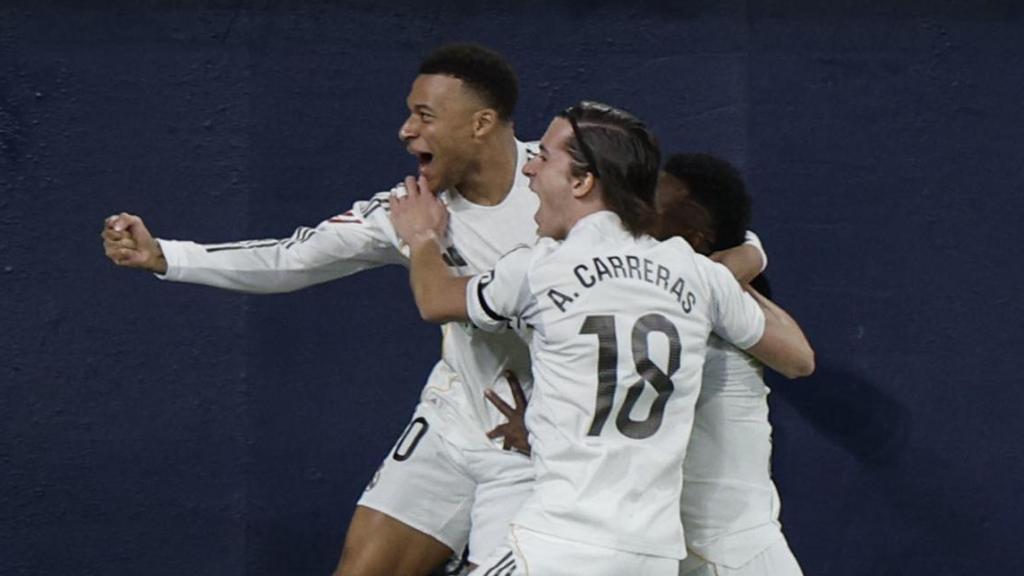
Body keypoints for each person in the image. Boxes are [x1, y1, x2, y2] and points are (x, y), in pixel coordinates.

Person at [101, 43, 540, 576]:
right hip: (452, 423)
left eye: (425, 116)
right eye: (409, 113)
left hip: (536, 449)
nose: (405, 131)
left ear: (481, 124)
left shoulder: (566, 190)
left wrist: (551, 421)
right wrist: (165, 255)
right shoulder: (405, 211)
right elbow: (291, 258)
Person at [389, 101, 814, 575]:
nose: (528, 166)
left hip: (567, 546)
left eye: (544, 156)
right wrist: (749, 255)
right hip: (657, 558)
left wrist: (423, 236)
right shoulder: (697, 278)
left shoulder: (542, 268)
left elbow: (433, 300)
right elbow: (799, 359)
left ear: (583, 180)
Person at [655, 153, 805, 576]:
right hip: (685, 554)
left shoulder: (707, 301)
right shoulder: (678, 286)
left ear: (692, 234)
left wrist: (732, 269)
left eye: (654, 202)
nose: (637, 208)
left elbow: (801, 360)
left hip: (734, 558)